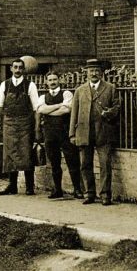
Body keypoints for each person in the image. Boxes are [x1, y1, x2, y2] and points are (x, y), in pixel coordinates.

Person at [69, 58, 120, 206]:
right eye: (91, 71)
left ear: (101, 73)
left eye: (97, 71)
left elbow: (117, 107)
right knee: (85, 165)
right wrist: (72, 133)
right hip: (84, 132)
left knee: (105, 164)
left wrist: (108, 113)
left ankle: (105, 195)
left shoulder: (110, 88)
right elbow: (74, 113)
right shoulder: (80, 90)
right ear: (87, 73)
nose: (94, 73)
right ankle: (89, 193)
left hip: (103, 133)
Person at [35, 71, 84, 199]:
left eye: (55, 79)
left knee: (72, 161)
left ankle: (77, 190)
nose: (52, 82)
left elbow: (66, 109)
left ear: (59, 80)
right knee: (54, 162)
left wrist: (49, 111)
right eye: (50, 80)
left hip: (65, 132)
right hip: (50, 133)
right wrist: (58, 106)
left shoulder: (66, 94)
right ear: (46, 82)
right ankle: (57, 190)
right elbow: (40, 109)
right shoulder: (43, 97)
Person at [0, 58, 39, 195]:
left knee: (27, 154)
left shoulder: (30, 85)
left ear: (23, 69)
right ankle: (12, 186)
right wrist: (10, 115)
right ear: (11, 69)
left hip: (25, 125)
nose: (18, 70)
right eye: (15, 67)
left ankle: (29, 187)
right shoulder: (5, 85)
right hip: (9, 125)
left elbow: (36, 108)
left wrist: (36, 127)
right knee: (10, 154)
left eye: (20, 67)